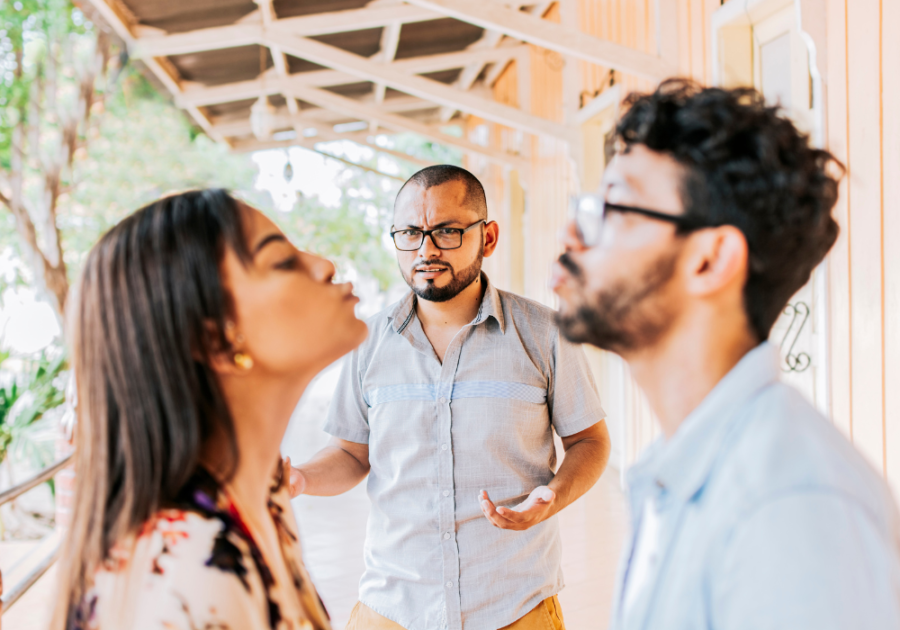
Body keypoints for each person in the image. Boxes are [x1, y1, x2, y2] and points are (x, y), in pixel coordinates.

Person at [552, 79, 900, 629]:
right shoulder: (684, 468)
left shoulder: (788, 508)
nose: (572, 233)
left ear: (711, 261)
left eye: (614, 206)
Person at [288, 165, 611, 630]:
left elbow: (590, 442)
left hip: (515, 605)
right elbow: (349, 453)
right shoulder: (367, 342)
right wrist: (300, 477)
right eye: (411, 232)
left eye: (447, 231)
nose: (426, 249)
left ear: (489, 237)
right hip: (392, 606)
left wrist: (554, 496)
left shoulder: (544, 334)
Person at [53, 189, 368, 630]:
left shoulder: (266, 497)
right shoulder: (189, 573)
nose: (324, 264)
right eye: (282, 261)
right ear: (216, 339)